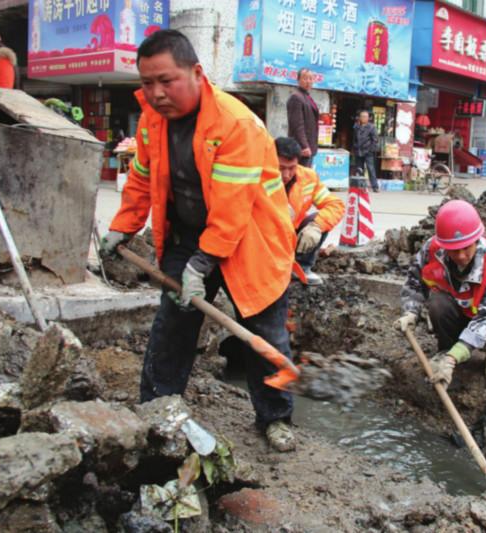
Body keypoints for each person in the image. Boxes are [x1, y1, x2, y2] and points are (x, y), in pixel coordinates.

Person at [99, 30, 298, 452]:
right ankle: (157, 406)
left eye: (166, 81)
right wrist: (124, 225)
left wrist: (200, 265)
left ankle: (276, 418)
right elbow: (142, 178)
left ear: (196, 73)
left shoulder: (235, 123)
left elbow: (231, 210)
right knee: (172, 322)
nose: (155, 93)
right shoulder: (153, 120)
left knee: (263, 333)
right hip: (187, 235)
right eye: (147, 82)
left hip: (251, 239)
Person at [394, 200, 486, 387]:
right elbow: (414, 282)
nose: (462, 256)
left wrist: (452, 360)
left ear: (476, 239)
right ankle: (446, 349)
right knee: (437, 302)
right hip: (458, 315)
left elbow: (485, 320)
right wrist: (411, 312)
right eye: (454, 251)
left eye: (466, 248)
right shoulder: (432, 250)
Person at [275, 137, 344, 285]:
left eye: (291, 168)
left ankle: (300, 268)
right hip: (267, 238)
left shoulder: (308, 177)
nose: (286, 175)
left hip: (291, 235)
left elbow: (335, 205)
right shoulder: (260, 176)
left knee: (317, 220)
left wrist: (317, 226)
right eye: (280, 168)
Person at [286, 68, 319, 167]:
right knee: (300, 178)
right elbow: (297, 125)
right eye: (305, 78)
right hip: (302, 149)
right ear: (298, 80)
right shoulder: (296, 98)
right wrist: (304, 146)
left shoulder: (307, 97)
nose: (308, 81)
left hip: (310, 147)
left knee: (306, 177)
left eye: (310, 78)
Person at [353, 110, 380, 192]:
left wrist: (371, 149)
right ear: (359, 118)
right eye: (362, 116)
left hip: (368, 151)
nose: (363, 118)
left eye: (365, 116)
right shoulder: (356, 127)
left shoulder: (371, 127)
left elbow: (375, 140)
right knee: (359, 169)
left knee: (370, 169)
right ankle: (361, 187)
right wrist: (355, 147)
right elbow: (354, 139)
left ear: (368, 118)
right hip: (358, 150)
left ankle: (375, 187)